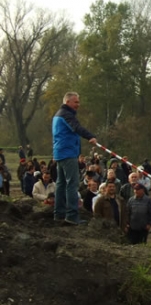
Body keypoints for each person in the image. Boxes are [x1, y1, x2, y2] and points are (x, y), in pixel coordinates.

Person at [52, 92, 97, 225]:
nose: (78, 104)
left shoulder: (58, 115)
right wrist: (90, 136)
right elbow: (77, 128)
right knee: (72, 184)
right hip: (68, 153)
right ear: (68, 102)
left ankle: (59, 214)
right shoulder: (66, 115)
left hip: (60, 152)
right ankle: (72, 216)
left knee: (61, 184)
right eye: (76, 102)